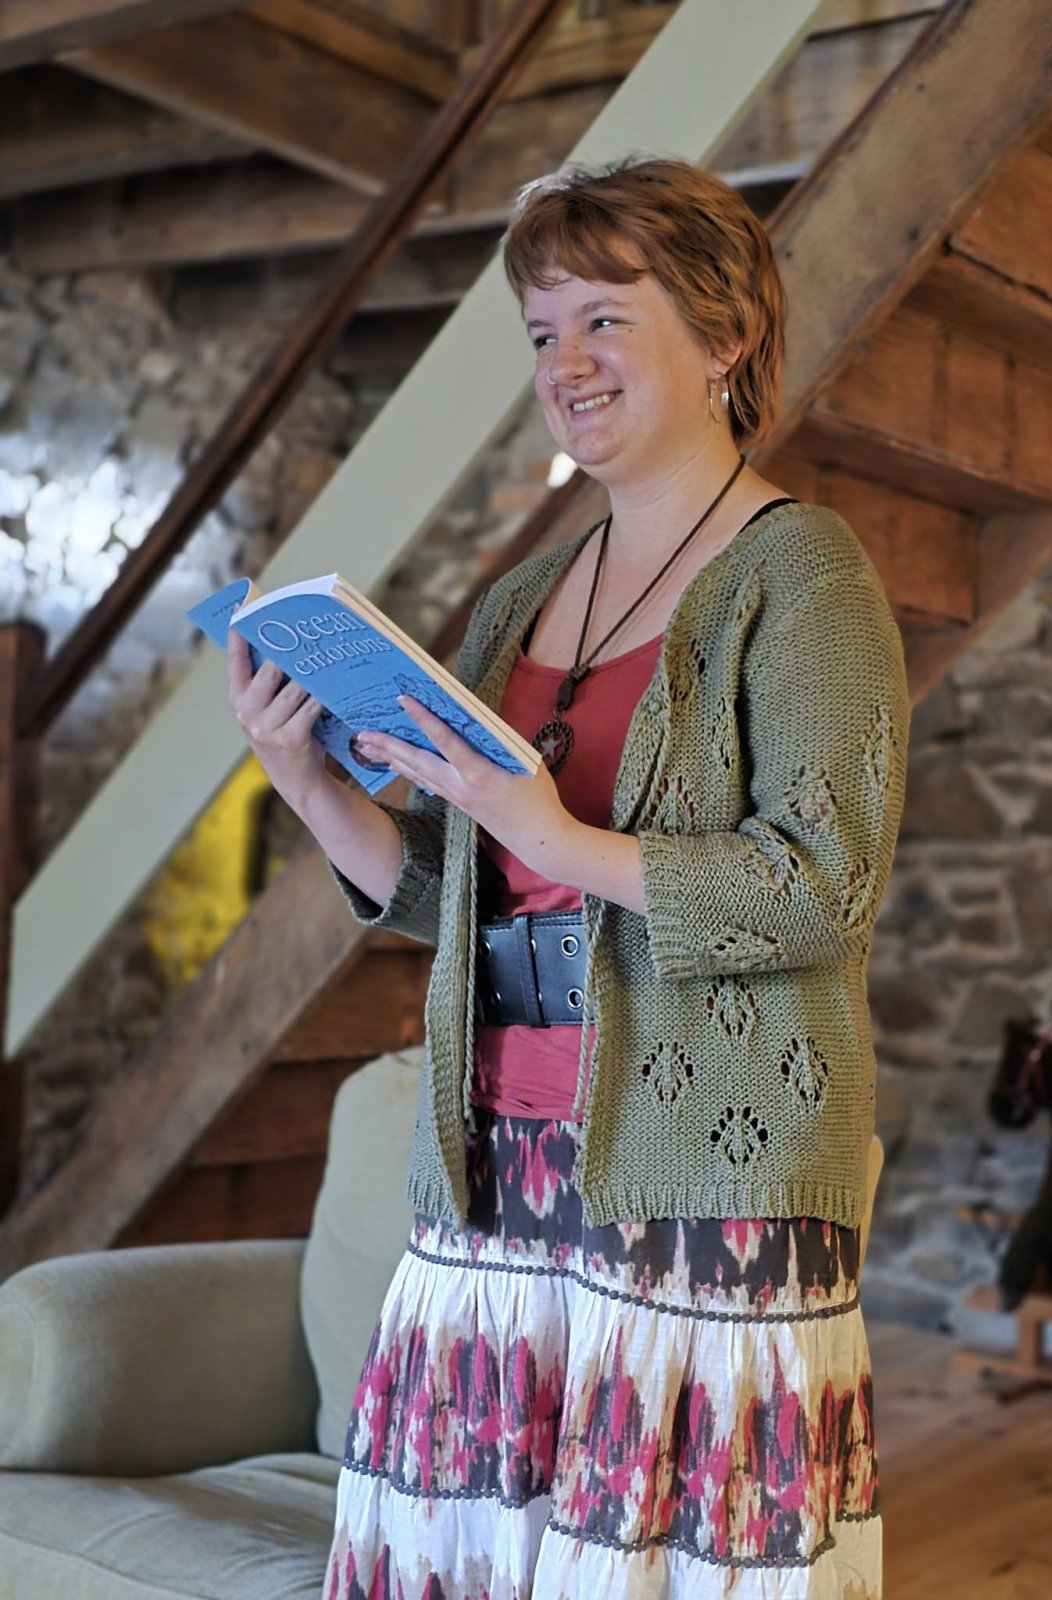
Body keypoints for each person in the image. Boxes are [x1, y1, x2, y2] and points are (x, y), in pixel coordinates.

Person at [228, 156, 909, 1599]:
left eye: (604, 317)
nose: (566, 363)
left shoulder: (809, 577)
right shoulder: (523, 597)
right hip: (486, 1174)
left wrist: (555, 836)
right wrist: (310, 782)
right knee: (461, 1562)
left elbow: (820, 885)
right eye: (542, 332)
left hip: (704, 1182)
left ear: (725, 336)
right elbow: (454, 891)